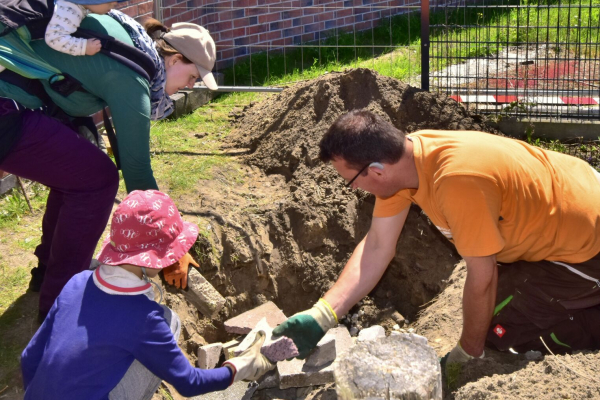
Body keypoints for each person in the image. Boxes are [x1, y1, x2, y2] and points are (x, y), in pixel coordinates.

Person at [273, 109, 600, 368]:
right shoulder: (408, 162)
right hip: (563, 210)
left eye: (351, 181)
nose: (354, 189)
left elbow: (482, 277)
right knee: (489, 309)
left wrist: (468, 353)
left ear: (376, 170)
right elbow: (377, 246)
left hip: (587, 243)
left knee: (499, 329)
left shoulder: (457, 182)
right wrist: (323, 313)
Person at [0, 13, 218, 318]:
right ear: (174, 59)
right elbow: (138, 172)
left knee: (80, 170)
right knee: (98, 179)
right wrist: (173, 248)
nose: (189, 87)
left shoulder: (132, 47)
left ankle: (47, 273)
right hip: (7, 108)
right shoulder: (132, 78)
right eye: (192, 77)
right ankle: (58, 310)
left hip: (12, 104)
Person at [21, 190, 274, 400]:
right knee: (169, 321)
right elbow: (189, 383)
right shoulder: (145, 319)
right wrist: (240, 367)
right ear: (152, 257)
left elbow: (28, 358)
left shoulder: (77, 282)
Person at [45, 0, 122, 56]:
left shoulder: (79, 5)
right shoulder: (70, 10)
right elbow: (54, 38)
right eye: (109, 1)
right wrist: (84, 47)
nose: (115, 3)